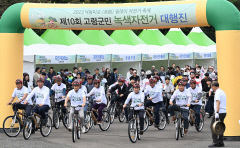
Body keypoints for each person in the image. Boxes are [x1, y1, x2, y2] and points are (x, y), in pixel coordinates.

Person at [209, 81, 226, 147]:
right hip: (223, 112)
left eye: (212, 87)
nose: (211, 88)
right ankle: (221, 142)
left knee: (213, 127)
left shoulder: (217, 93)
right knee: (220, 127)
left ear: (214, 86)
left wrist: (217, 112)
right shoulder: (222, 92)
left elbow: (218, 102)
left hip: (219, 112)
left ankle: (215, 142)